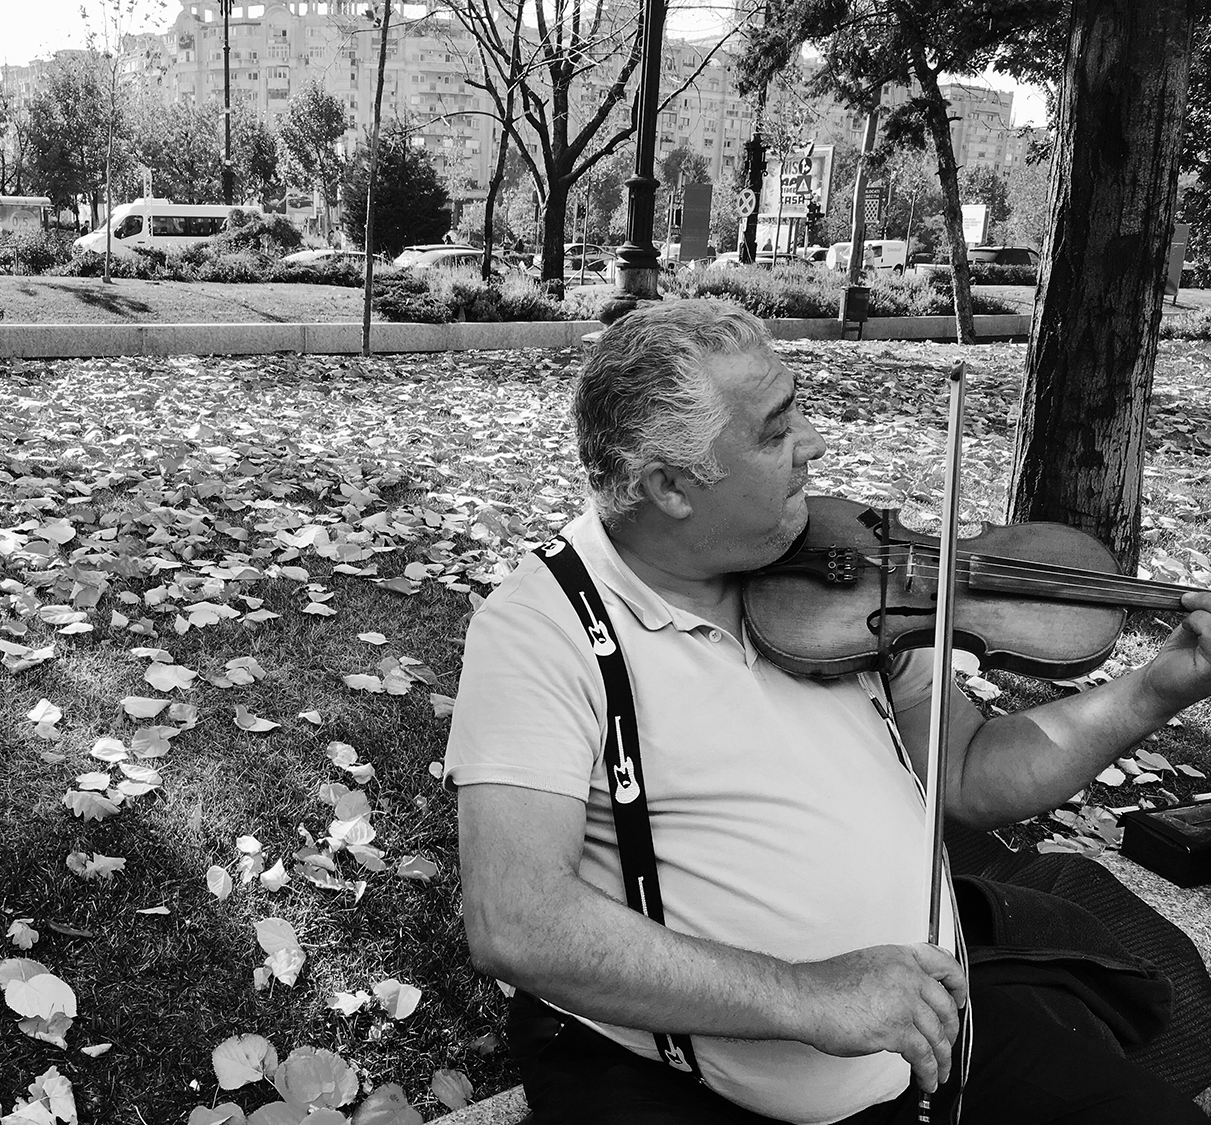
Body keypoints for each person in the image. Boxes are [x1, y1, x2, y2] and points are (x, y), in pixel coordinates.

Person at [444, 300, 1211, 1125]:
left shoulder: (847, 566)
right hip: (704, 1093)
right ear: (670, 487)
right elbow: (517, 920)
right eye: (776, 431)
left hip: (935, 1034)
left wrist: (1160, 685)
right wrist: (812, 994)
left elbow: (967, 771)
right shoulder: (542, 629)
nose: (813, 442)